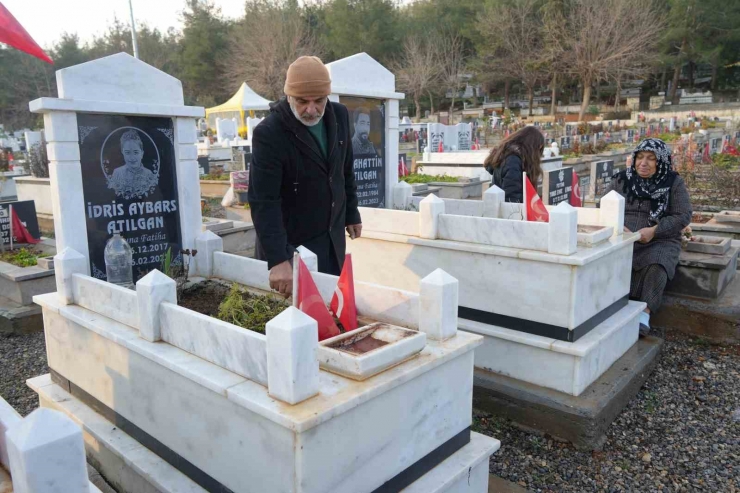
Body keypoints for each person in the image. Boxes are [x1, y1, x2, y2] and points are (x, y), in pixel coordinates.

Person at [248, 56, 362, 296]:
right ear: (289, 95)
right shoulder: (270, 133)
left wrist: (351, 212)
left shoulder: (339, 116)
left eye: (319, 101)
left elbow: (344, 169)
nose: (311, 110)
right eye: (302, 101)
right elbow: (263, 201)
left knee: (332, 307)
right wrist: (278, 258)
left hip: (331, 239)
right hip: (292, 245)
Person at [607, 138, 692, 336]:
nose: (643, 163)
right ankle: (611, 306)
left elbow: (683, 215)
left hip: (660, 238)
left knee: (657, 263)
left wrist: (655, 230)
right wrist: (617, 226)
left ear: (660, 161)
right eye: (640, 157)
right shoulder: (621, 179)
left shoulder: (673, 182)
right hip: (623, 235)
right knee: (608, 260)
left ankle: (644, 313)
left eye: (651, 159)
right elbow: (604, 205)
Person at [483, 126, 545, 203]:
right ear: (531, 147)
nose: (538, 154)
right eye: (538, 148)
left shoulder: (513, 157)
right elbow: (512, 197)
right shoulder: (512, 161)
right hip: (509, 212)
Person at [108, 129, 158, 200]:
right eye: (128, 152)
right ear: (123, 153)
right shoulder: (117, 173)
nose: (132, 157)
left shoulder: (148, 174)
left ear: (142, 154)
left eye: (136, 152)